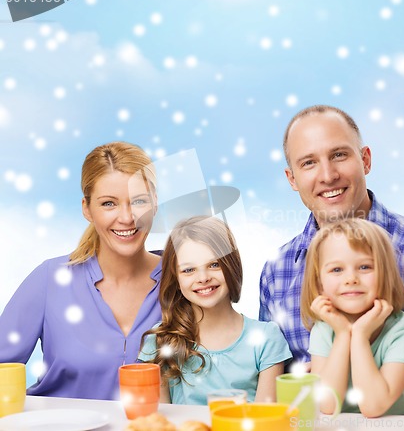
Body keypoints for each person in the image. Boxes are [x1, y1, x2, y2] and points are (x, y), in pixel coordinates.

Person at [259, 105, 404, 416]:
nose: (328, 175)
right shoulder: (276, 272)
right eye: (309, 163)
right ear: (292, 178)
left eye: (339, 155)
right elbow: (269, 384)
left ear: (366, 160)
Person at [0, 142, 162, 400]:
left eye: (139, 201)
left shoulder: (183, 281)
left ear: (155, 203)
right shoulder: (50, 280)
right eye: (109, 204)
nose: (127, 217)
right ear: (87, 208)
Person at [138, 216, 291, 404]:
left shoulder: (267, 338)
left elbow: (266, 419)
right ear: (176, 280)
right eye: (188, 270)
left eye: (214, 265)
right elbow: (159, 421)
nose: (203, 278)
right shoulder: (160, 341)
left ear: (231, 267)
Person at [302, 218, 404, 417]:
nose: (351, 279)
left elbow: (373, 407)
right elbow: (328, 404)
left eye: (365, 267)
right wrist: (343, 335)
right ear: (319, 283)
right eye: (337, 269)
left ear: (386, 274)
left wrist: (358, 336)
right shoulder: (324, 330)